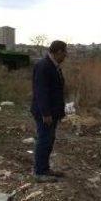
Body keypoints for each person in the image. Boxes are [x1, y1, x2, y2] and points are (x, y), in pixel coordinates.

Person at [31, 40, 67, 182]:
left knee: (49, 140)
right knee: (44, 140)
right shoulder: (44, 66)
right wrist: (46, 113)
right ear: (58, 51)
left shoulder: (53, 66)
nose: (66, 55)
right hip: (45, 114)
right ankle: (39, 172)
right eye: (64, 52)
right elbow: (41, 92)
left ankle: (44, 168)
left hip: (52, 113)